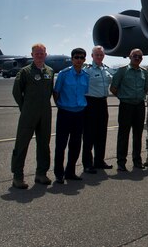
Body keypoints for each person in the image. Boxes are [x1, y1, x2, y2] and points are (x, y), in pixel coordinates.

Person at [10, 43, 54, 189]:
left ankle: (41, 174)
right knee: (22, 144)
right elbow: (17, 92)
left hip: (45, 113)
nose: (40, 55)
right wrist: (25, 108)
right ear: (32, 55)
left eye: (42, 53)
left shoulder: (50, 71)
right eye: (37, 53)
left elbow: (50, 91)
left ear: (46, 54)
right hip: (29, 113)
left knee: (44, 144)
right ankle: (18, 176)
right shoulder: (25, 72)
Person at [52, 47, 89, 183]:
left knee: (75, 144)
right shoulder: (63, 74)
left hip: (79, 113)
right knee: (61, 145)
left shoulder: (86, 75)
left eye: (81, 57)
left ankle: (70, 171)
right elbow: (56, 92)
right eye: (76, 57)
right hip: (65, 113)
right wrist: (61, 105)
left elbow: (85, 92)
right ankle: (59, 173)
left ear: (85, 60)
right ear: (72, 59)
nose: (79, 60)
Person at [110, 49, 147, 171]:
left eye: (140, 57)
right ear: (130, 57)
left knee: (138, 135)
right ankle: (121, 162)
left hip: (139, 106)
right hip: (126, 106)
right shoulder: (122, 71)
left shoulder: (144, 73)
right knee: (123, 135)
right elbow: (114, 88)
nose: (137, 58)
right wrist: (123, 97)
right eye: (135, 56)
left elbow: (146, 89)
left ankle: (137, 160)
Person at [82, 45, 113, 173]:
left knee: (101, 134)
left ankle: (99, 161)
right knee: (89, 135)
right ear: (92, 56)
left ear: (104, 56)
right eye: (97, 55)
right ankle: (88, 163)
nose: (99, 57)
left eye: (101, 55)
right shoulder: (86, 70)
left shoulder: (106, 70)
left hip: (102, 103)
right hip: (90, 103)